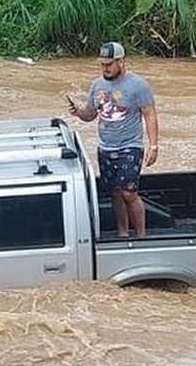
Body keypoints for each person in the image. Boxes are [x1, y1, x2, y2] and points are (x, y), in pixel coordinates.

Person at [66, 42, 159, 237]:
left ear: (121, 62)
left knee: (129, 193)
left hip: (130, 146)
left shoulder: (138, 85)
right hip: (106, 147)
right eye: (102, 64)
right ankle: (122, 233)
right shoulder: (97, 85)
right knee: (115, 193)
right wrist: (78, 112)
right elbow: (90, 114)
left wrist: (154, 146)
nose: (105, 68)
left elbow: (150, 114)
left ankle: (142, 235)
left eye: (109, 64)